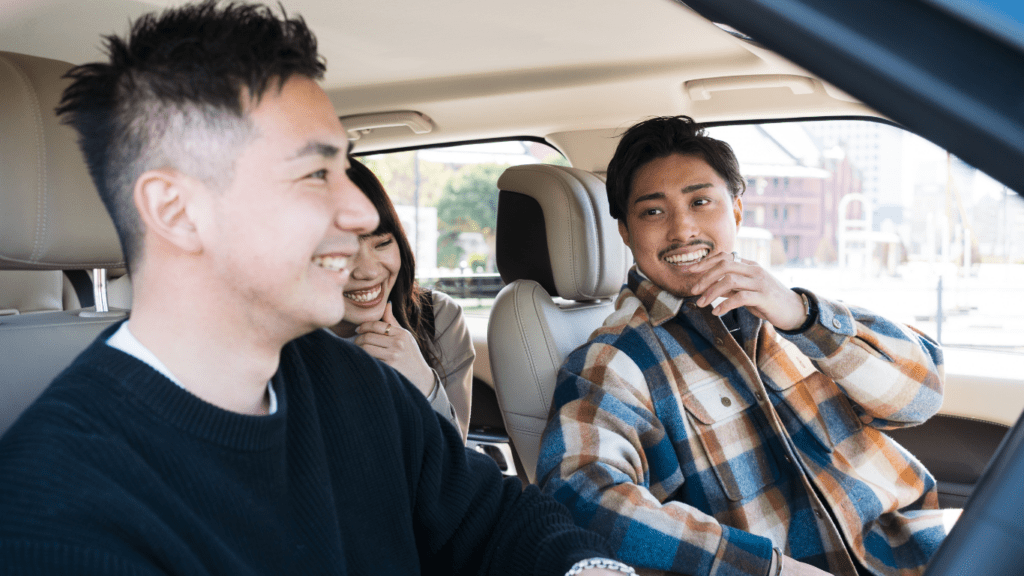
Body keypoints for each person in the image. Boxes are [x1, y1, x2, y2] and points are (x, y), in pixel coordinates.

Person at [0, 3, 633, 575]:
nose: (360, 216)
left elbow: (495, 521)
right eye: (313, 174)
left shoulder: (347, 380)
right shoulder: (58, 515)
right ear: (176, 210)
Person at [537, 116, 953, 576]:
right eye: (653, 211)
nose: (682, 230)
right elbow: (580, 496)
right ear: (625, 232)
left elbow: (922, 396)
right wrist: (767, 569)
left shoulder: (790, 312)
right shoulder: (616, 358)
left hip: (921, 551)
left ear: (736, 210)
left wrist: (802, 318)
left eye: (701, 201)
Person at [329, 158, 474, 442]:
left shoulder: (439, 318)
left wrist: (423, 381)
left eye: (382, 243)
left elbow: (458, 463)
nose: (369, 270)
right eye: (341, 252)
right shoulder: (277, 341)